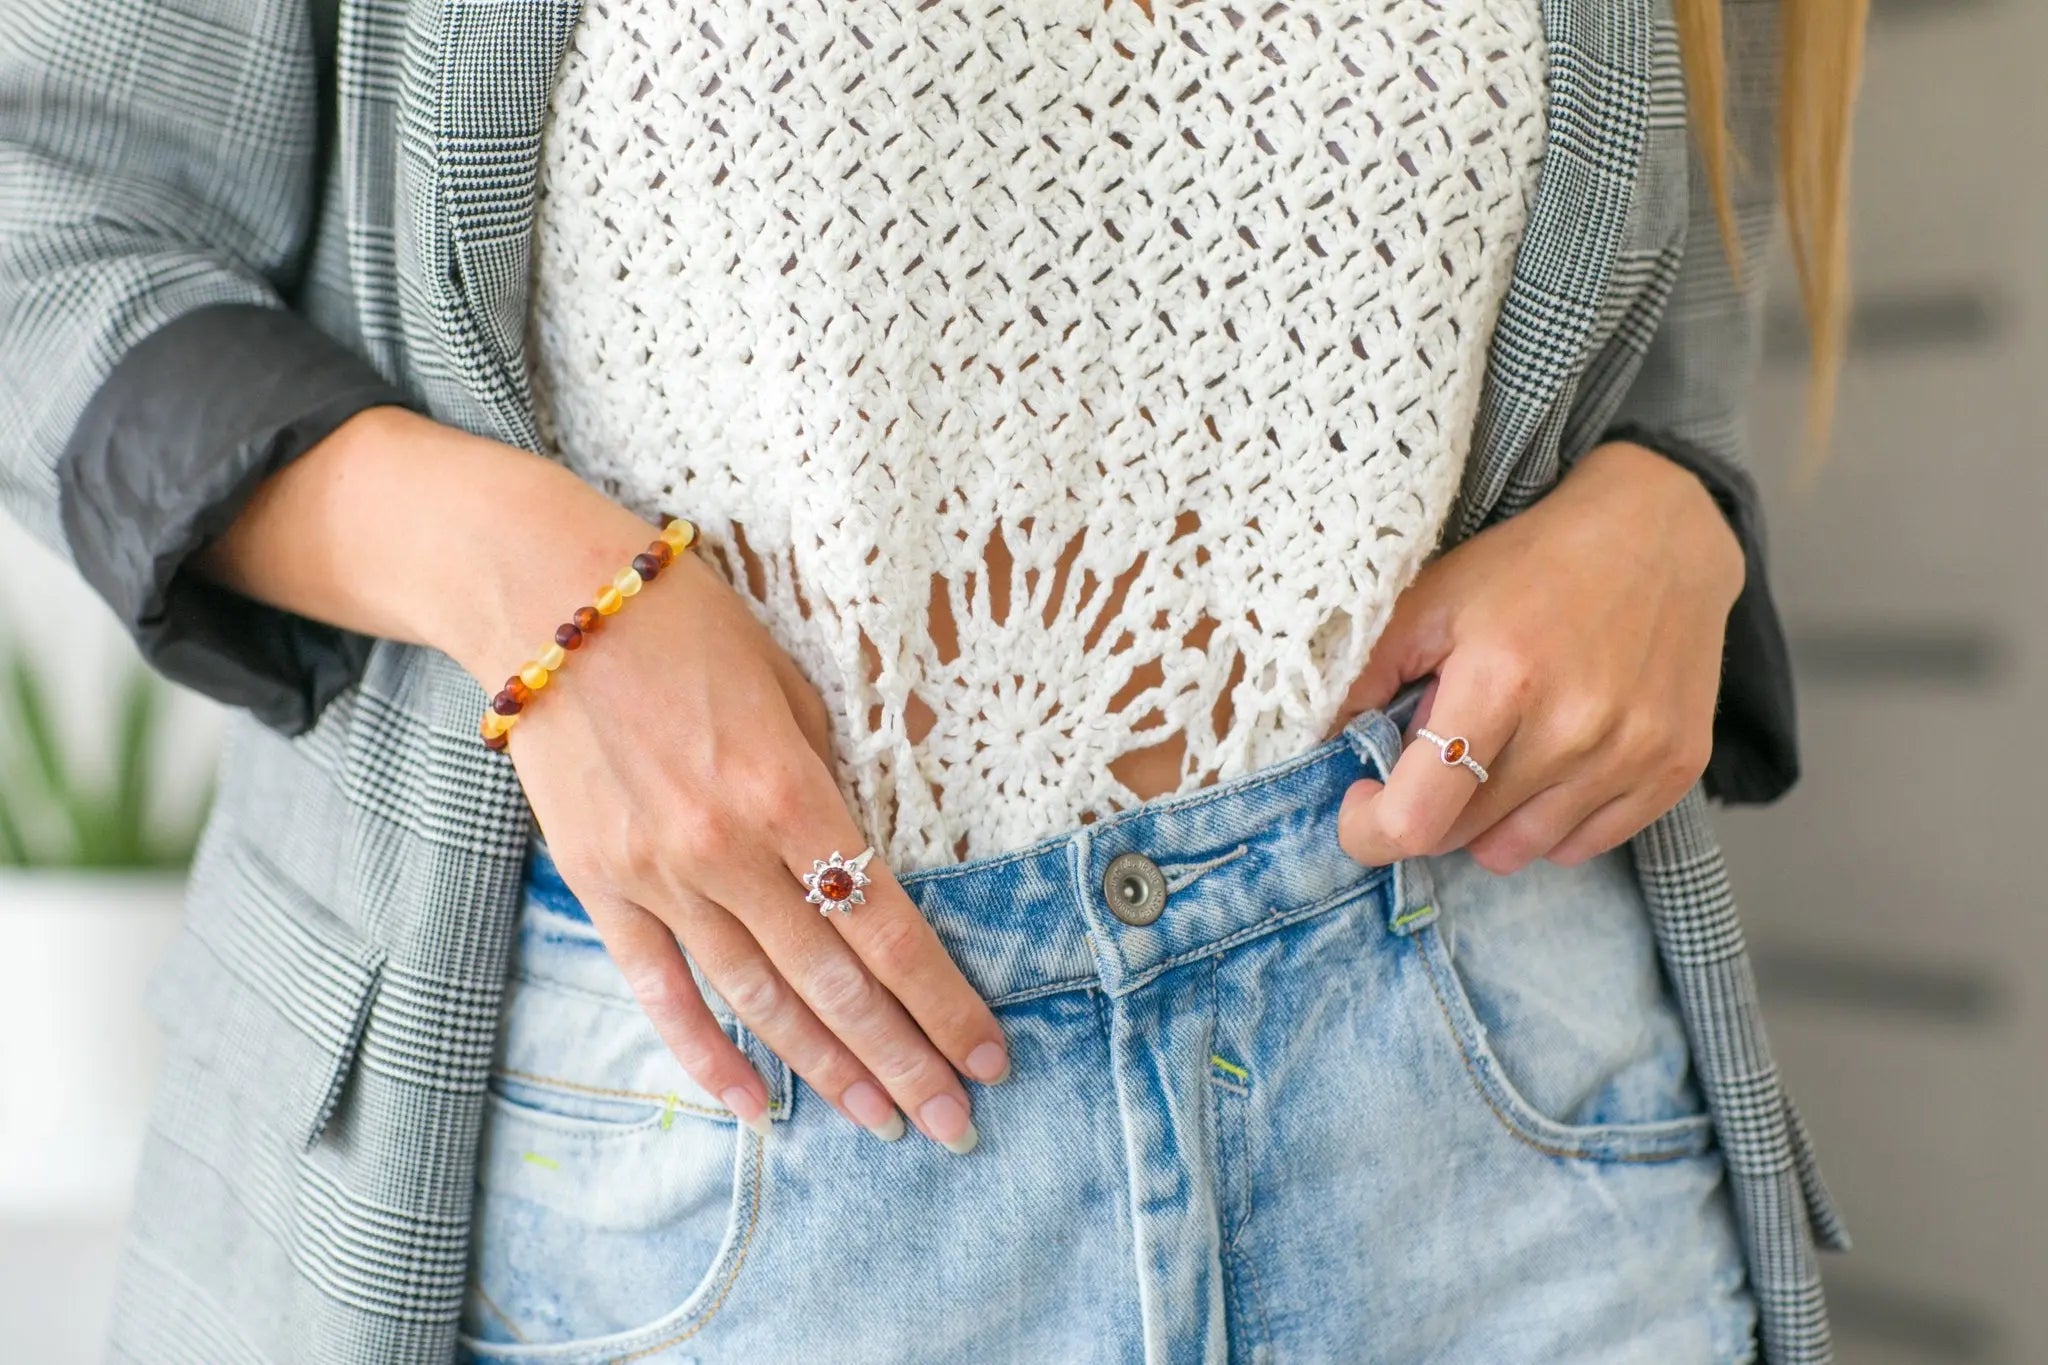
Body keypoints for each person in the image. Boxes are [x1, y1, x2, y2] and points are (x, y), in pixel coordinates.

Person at [0, 0, 1864, 1360]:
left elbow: (1651, 364)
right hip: (721, 1137)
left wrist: (1671, 523)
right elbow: (45, 216)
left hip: (1490, 1124)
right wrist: (523, 582)